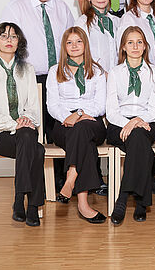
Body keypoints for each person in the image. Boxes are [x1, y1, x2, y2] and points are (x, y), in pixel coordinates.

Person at [0, 0, 75, 193]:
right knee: (34, 128)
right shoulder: (16, 7)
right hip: (29, 78)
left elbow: (72, 41)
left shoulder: (61, 8)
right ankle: (37, 183)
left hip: (59, 77)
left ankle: (62, 181)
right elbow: (7, 42)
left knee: (59, 128)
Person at [0, 23, 44, 227]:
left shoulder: (28, 70)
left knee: (27, 136)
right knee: (37, 150)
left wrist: (26, 120)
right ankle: (31, 205)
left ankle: (20, 201)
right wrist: (15, 124)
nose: (9, 40)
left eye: (14, 36)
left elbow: (33, 107)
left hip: (25, 131)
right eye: (4, 36)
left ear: (19, 42)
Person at [46, 27, 107, 223]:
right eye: (69, 42)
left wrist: (79, 114)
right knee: (84, 142)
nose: (74, 46)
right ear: (64, 46)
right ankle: (83, 203)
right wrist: (68, 117)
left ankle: (70, 178)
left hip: (92, 121)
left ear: (85, 45)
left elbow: (101, 105)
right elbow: (52, 105)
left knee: (82, 129)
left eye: (78, 41)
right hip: (63, 124)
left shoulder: (97, 71)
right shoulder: (55, 71)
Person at [107, 26, 155, 224]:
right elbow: (111, 110)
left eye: (139, 42)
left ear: (145, 46)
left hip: (147, 122)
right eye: (130, 42)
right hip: (119, 123)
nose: (135, 46)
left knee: (139, 136)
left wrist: (138, 121)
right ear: (123, 47)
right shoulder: (115, 73)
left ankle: (122, 198)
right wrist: (128, 123)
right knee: (141, 145)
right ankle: (141, 202)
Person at [75, 0, 120, 73]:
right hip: (94, 76)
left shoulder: (117, 21)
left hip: (116, 77)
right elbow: (80, 55)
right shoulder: (82, 23)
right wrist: (102, 74)